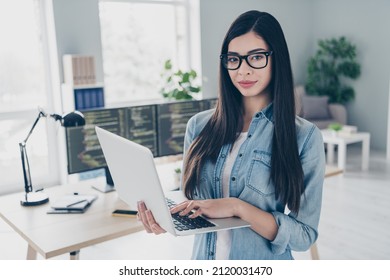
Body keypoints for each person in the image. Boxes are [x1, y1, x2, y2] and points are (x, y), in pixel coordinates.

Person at [137, 10, 325, 260]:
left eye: (256, 57)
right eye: (233, 59)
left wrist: (238, 207)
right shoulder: (198, 126)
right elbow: (193, 199)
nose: (242, 71)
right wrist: (166, 217)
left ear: (276, 58)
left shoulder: (304, 136)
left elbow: (304, 235)